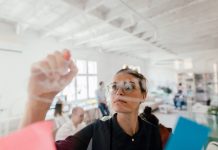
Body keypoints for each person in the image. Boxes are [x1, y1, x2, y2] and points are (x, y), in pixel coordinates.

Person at [21, 50, 163, 150]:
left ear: (143, 96)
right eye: (114, 86)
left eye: (128, 87)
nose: (119, 91)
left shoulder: (154, 133)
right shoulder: (96, 131)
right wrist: (37, 104)